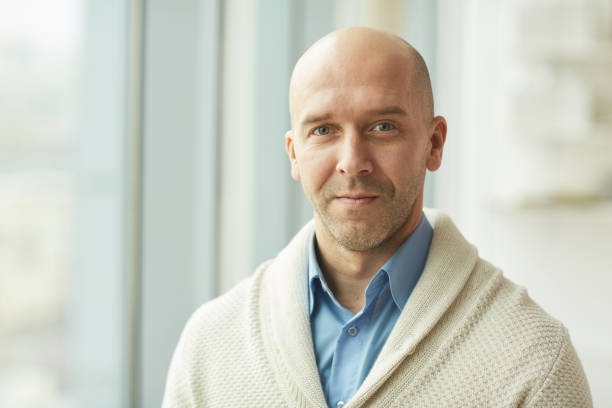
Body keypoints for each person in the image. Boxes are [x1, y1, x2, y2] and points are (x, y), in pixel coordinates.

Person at [162, 27, 591, 407]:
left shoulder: (534, 360)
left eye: (382, 127)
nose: (352, 162)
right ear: (294, 154)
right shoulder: (211, 345)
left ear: (434, 143)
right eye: (323, 130)